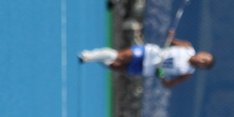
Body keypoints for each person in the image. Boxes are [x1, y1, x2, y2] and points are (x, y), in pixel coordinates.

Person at [79, 32, 214, 89]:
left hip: (147, 69)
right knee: (120, 56)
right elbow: (170, 41)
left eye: (204, 64)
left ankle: (96, 58)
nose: (201, 61)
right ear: (202, 53)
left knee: (114, 66)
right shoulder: (187, 47)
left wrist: (161, 76)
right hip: (149, 53)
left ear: (202, 68)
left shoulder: (187, 73)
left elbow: (169, 84)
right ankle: (90, 56)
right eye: (204, 58)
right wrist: (170, 36)